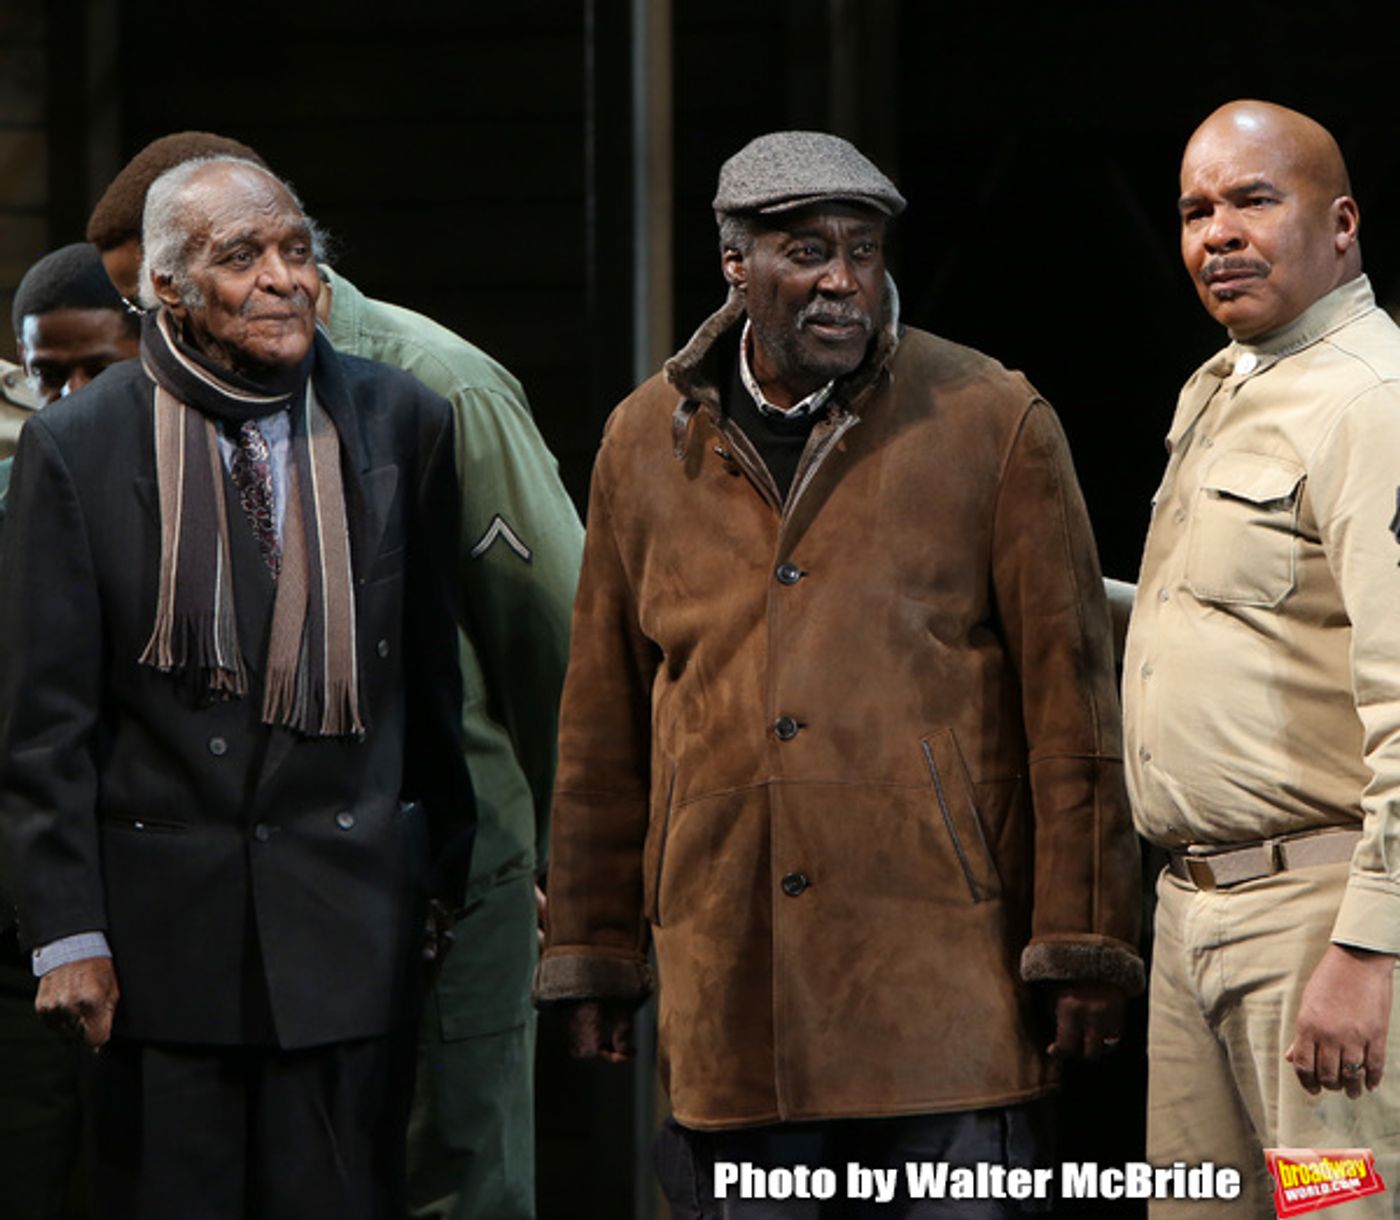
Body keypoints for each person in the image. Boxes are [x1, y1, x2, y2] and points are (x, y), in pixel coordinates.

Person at [536, 130, 1143, 1218]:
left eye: (861, 250)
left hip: (938, 985)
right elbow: (603, 720)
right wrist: (591, 945)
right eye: (805, 250)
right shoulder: (643, 439)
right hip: (731, 992)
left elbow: (1072, 702)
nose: (839, 280)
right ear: (736, 262)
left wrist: (1084, 936)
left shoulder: (989, 417)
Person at [88, 130, 584, 1220]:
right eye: (144, 304)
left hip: (449, 864)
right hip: (284, 886)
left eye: (165, 292)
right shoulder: (168, 403)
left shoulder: (431, 386)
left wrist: (574, 859)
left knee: (450, 1166)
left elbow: (557, 637)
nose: (156, 325)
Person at [0, 155, 474, 1219]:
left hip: (345, 925)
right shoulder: (80, 444)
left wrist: (437, 869)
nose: (281, 279)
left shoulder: (402, 419)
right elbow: (44, 724)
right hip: (159, 948)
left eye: (297, 252)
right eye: (241, 256)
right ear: (165, 286)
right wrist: (69, 931)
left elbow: (433, 681)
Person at [1123, 100, 1400, 1218]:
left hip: (1315, 927)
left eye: (1251, 200)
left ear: (1338, 225)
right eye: (1195, 209)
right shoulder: (1223, 384)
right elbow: (1219, 621)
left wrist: (1367, 947)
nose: (1216, 233)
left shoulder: (1367, 402)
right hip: (1193, 913)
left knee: (1331, 1209)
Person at [0, 242, 143, 511]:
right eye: (50, 375)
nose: (74, 394)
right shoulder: (8, 495)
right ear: (25, 363)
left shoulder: (206, 483)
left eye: (101, 372)